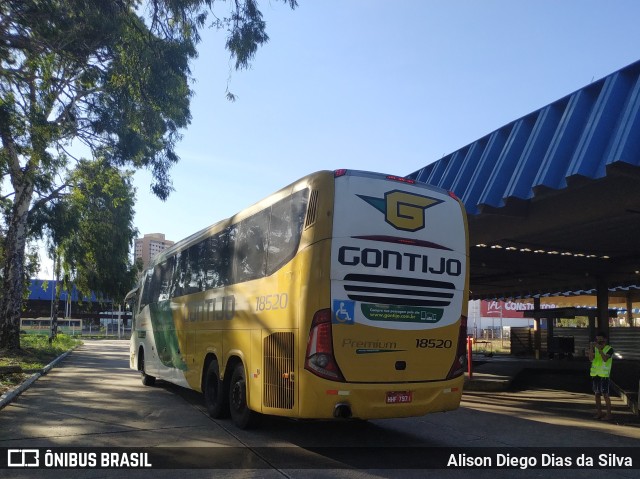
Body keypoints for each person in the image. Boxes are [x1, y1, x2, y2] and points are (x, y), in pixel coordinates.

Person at [588, 332, 614, 421]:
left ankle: (609, 414)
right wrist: (591, 348)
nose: (598, 342)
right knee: (597, 394)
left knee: (605, 395)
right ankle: (599, 413)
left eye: (600, 340)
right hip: (596, 374)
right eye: (597, 340)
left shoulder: (609, 349)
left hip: (604, 375)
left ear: (605, 340)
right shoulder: (595, 349)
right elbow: (591, 359)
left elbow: (605, 359)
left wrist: (600, 350)